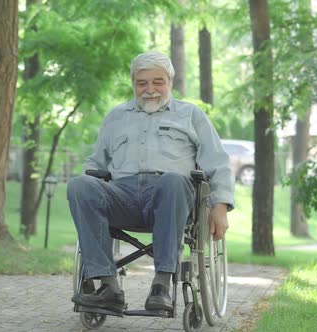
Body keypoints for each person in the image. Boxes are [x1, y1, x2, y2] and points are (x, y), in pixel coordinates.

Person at [68, 51, 234, 313]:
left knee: (172, 181)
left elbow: (218, 162)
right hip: (122, 197)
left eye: (158, 81)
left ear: (170, 82)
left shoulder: (191, 115)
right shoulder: (116, 117)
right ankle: (108, 286)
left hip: (170, 196)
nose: (150, 90)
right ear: (133, 83)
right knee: (79, 185)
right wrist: (90, 182)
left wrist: (221, 205)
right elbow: (94, 164)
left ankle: (161, 285)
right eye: (142, 83)